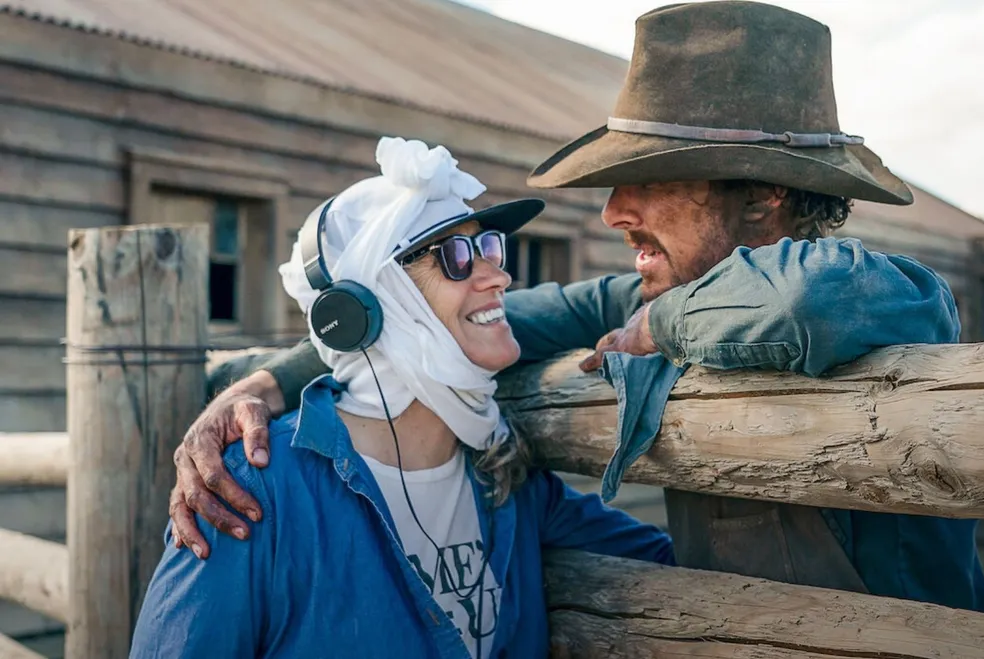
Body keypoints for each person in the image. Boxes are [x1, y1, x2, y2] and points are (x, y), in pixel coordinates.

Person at [170, 1, 984, 612]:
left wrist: (656, 328)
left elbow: (803, 304)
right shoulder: (645, 293)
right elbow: (450, 321)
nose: (613, 211)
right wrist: (264, 387)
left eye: (652, 178)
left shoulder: (880, 291)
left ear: (764, 192)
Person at [130, 138, 673, 659]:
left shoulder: (509, 483)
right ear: (369, 302)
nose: (500, 275)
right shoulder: (251, 488)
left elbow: (684, 572)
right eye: (458, 256)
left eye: (489, 247)